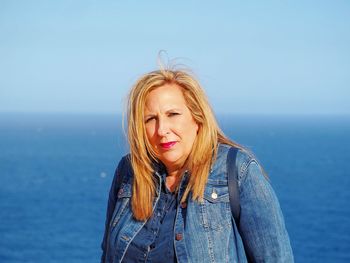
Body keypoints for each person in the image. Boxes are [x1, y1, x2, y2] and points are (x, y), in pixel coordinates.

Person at [101, 67, 294, 263]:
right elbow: (107, 254)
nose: (162, 130)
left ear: (197, 117)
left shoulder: (238, 171)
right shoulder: (129, 171)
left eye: (173, 114)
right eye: (150, 119)